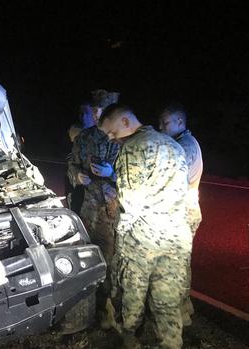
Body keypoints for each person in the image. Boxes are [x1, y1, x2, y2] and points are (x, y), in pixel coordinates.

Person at [99, 104, 191, 349]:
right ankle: (171, 342)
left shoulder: (132, 148)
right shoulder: (173, 145)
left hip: (143, 239)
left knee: (133, 293)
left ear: (126, 122)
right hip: (176, 236)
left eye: (111, 132)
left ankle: (130, 336)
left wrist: (121, 237)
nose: (110, 138)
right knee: (168, 298)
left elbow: (131, 202)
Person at [66, 90, 120, 327]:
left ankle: (111, 307)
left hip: (115, 212)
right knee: (89, 257)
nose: (96, 114)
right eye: (95, 110)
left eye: (102, 110)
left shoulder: (123, 139)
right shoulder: (84, 138)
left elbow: (136, 177)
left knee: (114, 260)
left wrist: (112, 175)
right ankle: (93, 305)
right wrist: (76, 176)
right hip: (88, 210)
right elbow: (71, 166)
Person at [159, 103, 203, 326]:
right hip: (184, 209)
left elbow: (172, 182)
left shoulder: (184, 147)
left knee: (177, 264)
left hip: (182, 212)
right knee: (181, 263)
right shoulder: (181, 143)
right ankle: (185, 307)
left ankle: (180, 315)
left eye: (165, 122)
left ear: (180, 122)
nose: (160, 127)